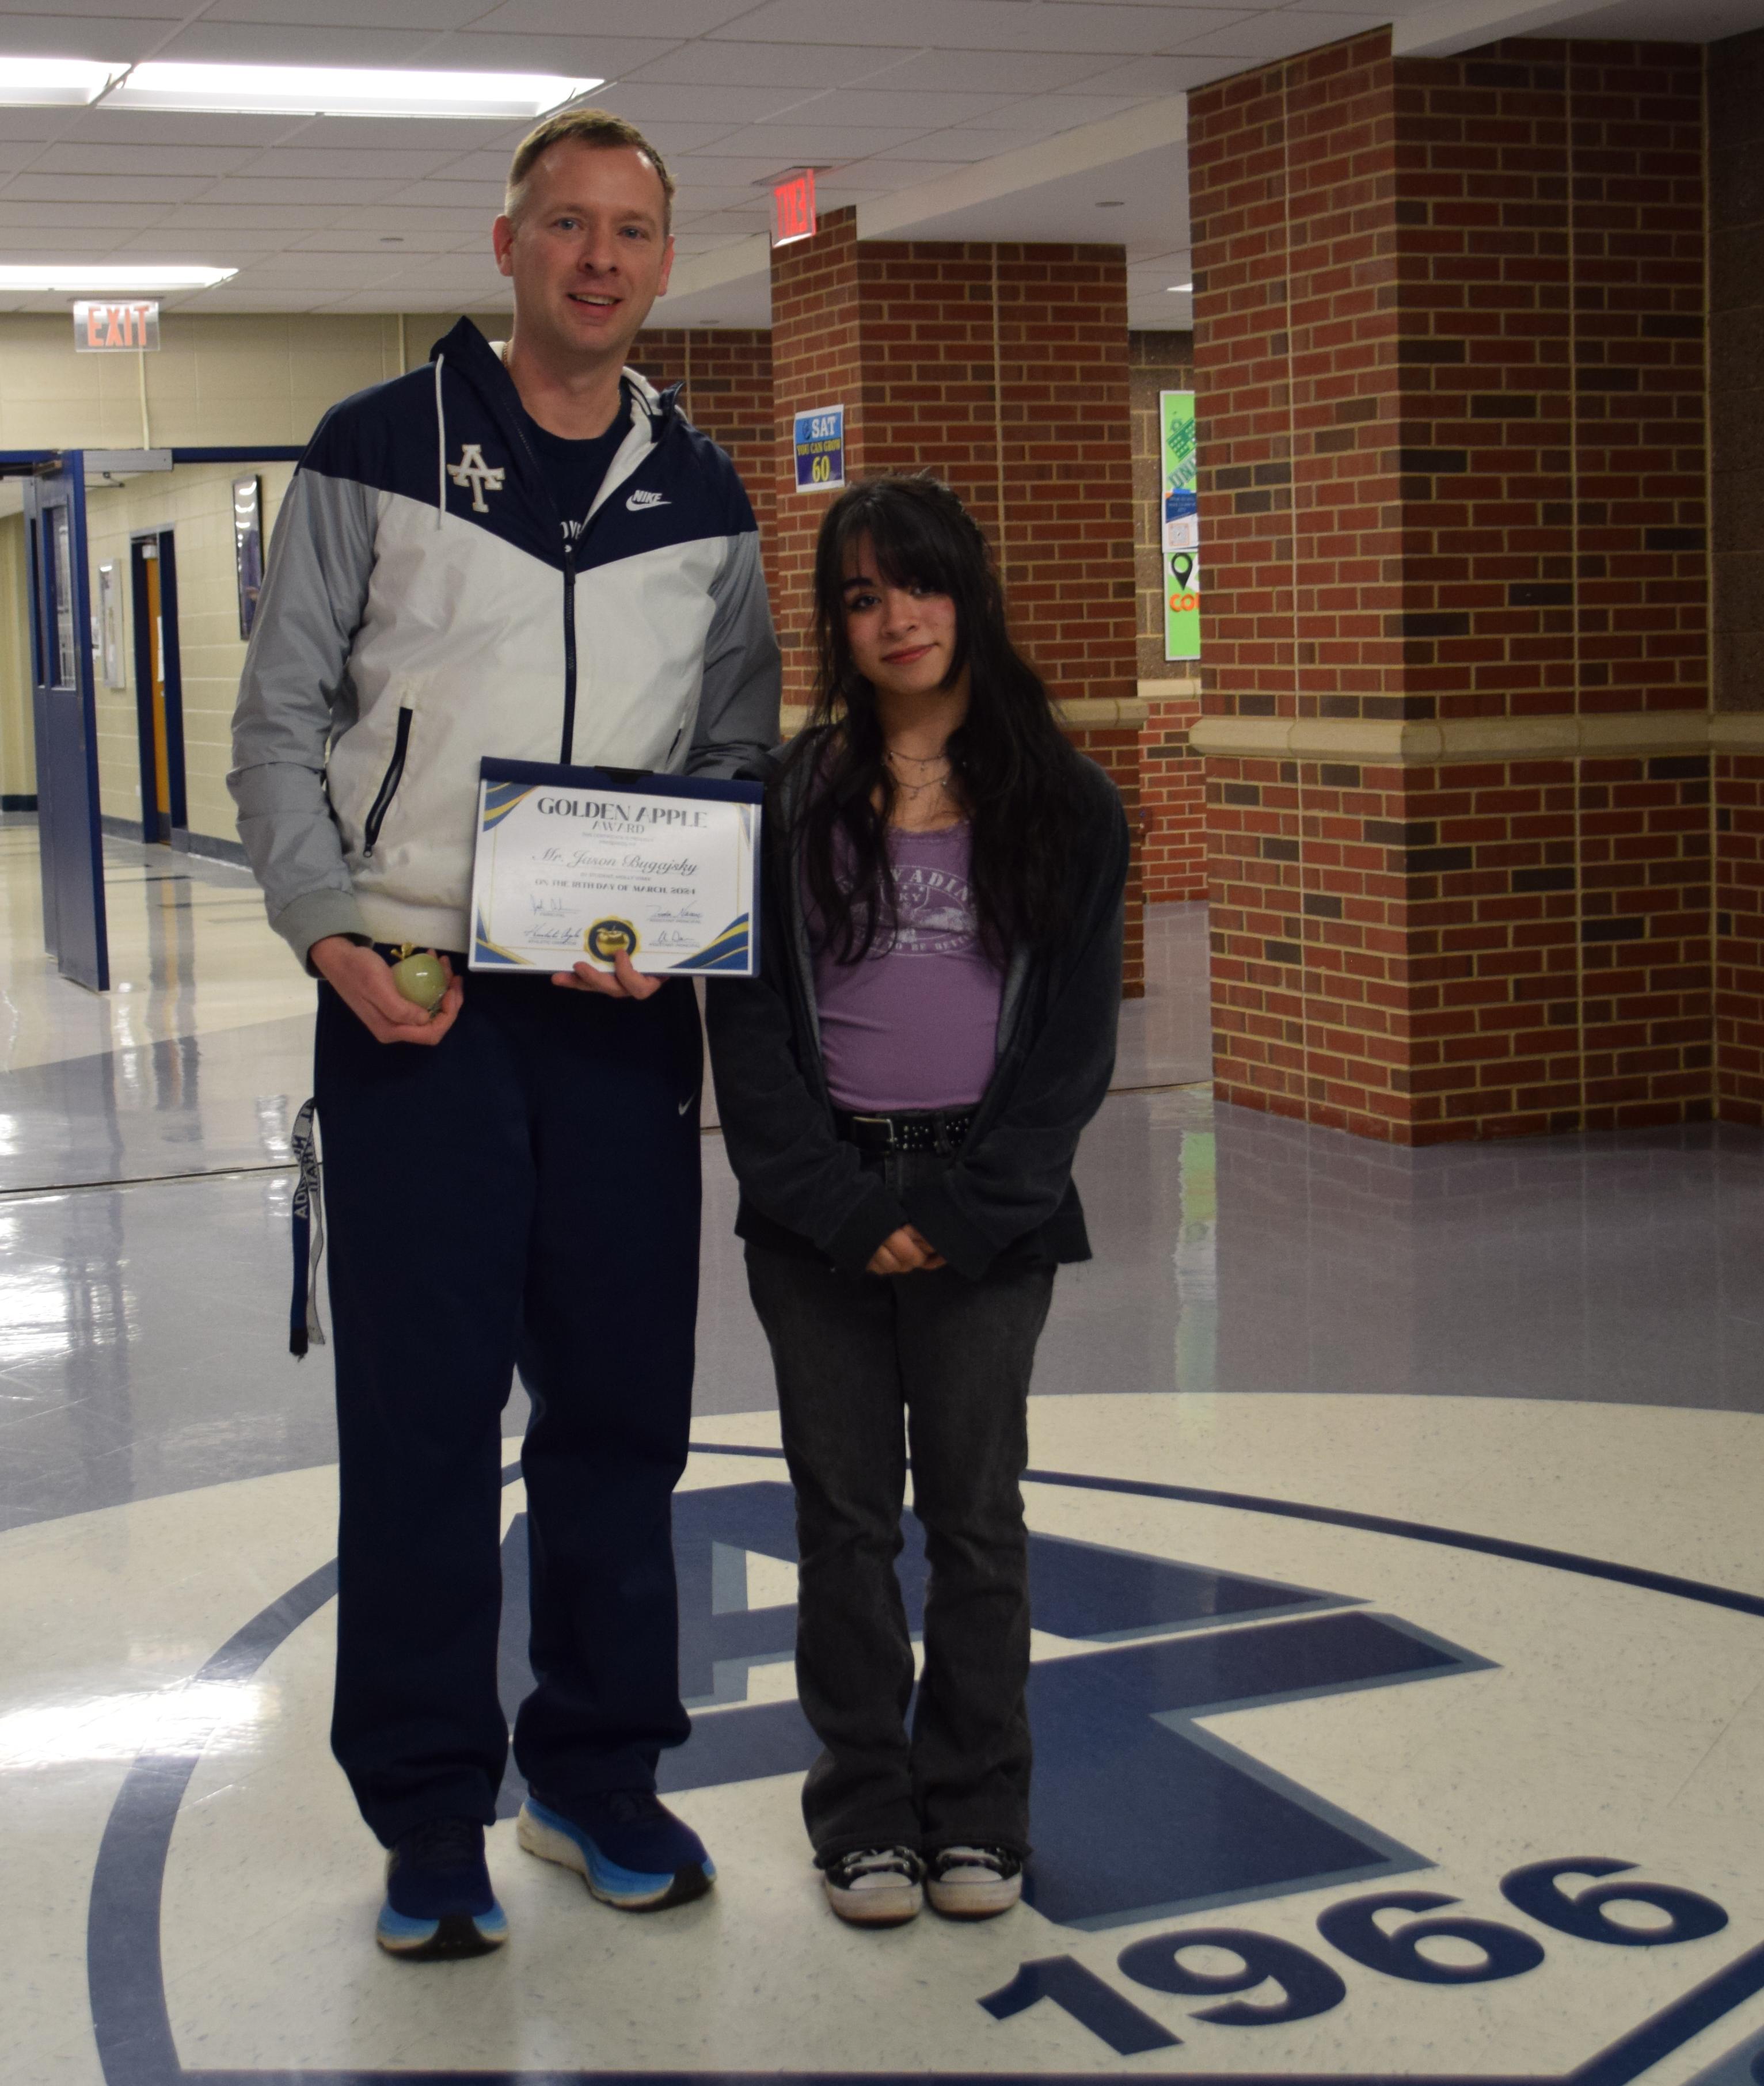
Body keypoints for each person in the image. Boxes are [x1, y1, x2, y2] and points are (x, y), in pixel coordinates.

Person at [229, 107, 780, 1960]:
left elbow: (735, 748)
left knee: (620, 1412)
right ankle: (427, 1814)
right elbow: (279, 719)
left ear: (663, 258)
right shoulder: (374, 448)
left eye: (633, 229)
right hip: (415, 1012)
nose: (601, 258)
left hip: (617, 1018)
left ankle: (597, 1777)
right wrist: (328, 930)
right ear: (509, 243)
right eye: (569, 224)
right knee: (423, 1422)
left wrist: (676, 921)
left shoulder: (702, 488)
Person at [705, 475, 1128, 1928]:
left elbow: (1072, 1052)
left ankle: (978, 1812)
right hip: (815, 1214)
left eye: (922, 584)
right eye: (862, 596)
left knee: (975, 1520)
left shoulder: (1064, 803)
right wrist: (835, 1203)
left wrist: (960, 1210)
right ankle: (865, 1817)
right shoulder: (787, 801)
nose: (897, 618)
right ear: (835, 626)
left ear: (971, 594)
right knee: (839, 1522)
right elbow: (748, 1027)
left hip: (986, 1218)